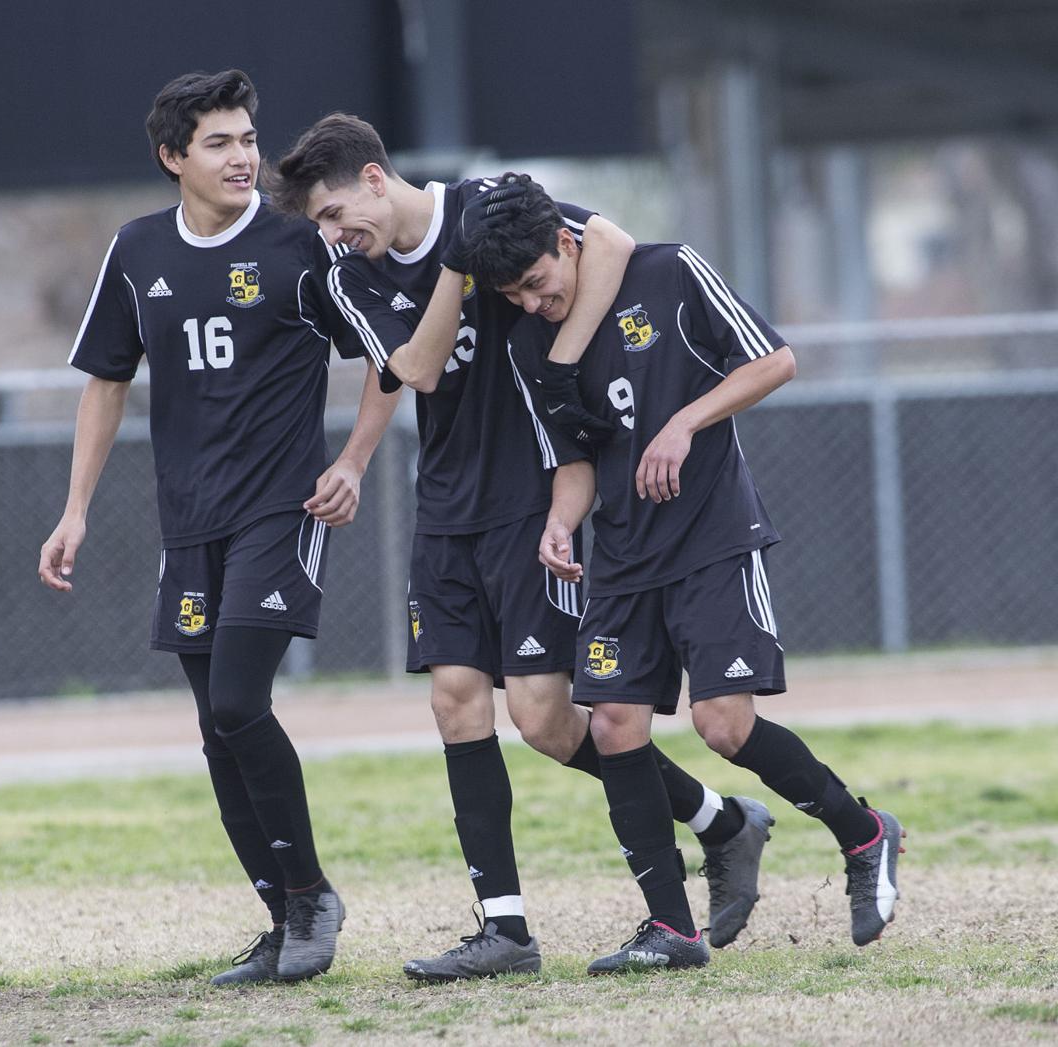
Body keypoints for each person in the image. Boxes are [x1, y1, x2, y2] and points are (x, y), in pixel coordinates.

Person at [265, 117, 775, 979]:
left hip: (533, 498)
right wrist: (456, 268)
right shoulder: (352, 273)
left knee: (543, 719)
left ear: (375, 178)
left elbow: (608, 243)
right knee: (455, 702)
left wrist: (562, 353)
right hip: (445, 508)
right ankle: (505, 928)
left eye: (334, 212)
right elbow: (417, 369)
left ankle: (718, 819)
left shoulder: (491, 208)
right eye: (320, 222)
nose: (331, 232)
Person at [466, 177, 906, 971]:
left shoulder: (669, 272)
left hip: (711, 537)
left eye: (536, 281)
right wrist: (560, 522)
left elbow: (775, 360)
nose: (532, 302)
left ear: (566, 242)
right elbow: (575, 461)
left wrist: (686, 420)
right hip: (622, 555)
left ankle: (864, 832)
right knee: (612, 723)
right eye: (513, 296)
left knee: (723, 725)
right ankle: (671, 927)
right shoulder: (529, 346)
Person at [38, 71, 399, 985]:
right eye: (220, 143)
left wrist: (353, 461)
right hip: (189, 521)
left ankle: (312, 896)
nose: (243, 157)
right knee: (215, 727)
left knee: (238, 701)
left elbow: (389, 356)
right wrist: (75, 509)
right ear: (173, 157)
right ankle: (282, 919)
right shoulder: (137, 250)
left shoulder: (299, 245)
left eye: (248, 139)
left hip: (282, 508)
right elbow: (106, 383)